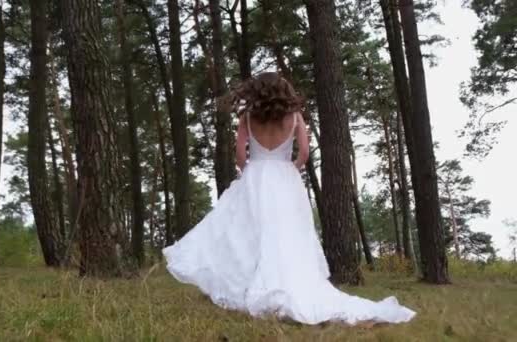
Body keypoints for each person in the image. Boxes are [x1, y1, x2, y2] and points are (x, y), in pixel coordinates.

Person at [163, 72, 416, 325]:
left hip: (256, 175)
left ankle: (250, 285)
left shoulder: (247, 118)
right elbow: (304, 153)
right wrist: (289, 168)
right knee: (287, 235)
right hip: (285, 178)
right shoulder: (294, 117)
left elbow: (240, 154)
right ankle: (291, 283)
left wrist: (250, 172)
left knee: (250, 235)